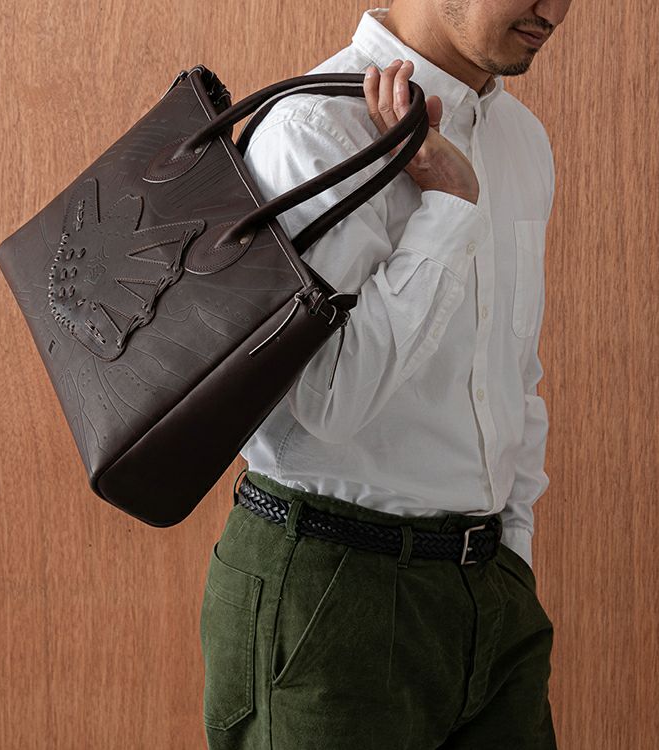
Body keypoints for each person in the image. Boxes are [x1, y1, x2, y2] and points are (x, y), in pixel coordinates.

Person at [199, 3, 571, 748]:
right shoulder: (314, 131)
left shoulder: (522, 139)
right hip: (330, 597)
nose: (553, 8)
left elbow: (512, 371)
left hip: (489, 590)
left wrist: (512, 553)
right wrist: (449, 209)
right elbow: (328, 402)